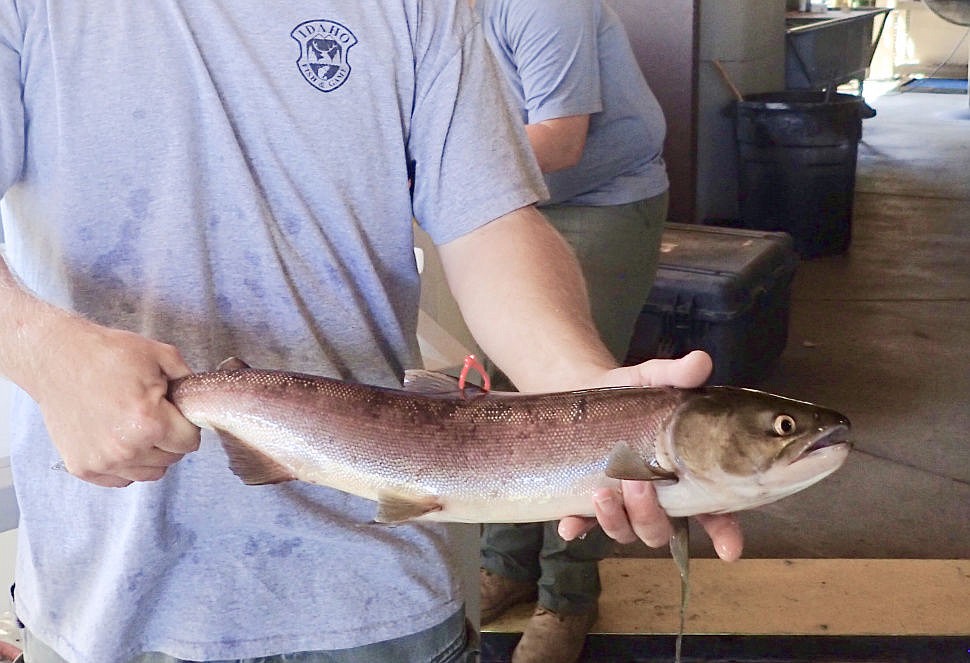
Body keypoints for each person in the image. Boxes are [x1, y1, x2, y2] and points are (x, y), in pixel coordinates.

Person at [0, 3, 742, 662]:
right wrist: (41, 350)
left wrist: (585, 392)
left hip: (377, 590)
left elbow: (490, 222)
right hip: (102, 586)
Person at [474, 2, 690, 661]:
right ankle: (505, 564)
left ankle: (567, 594)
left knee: (582, 411)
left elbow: (561, 141)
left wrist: (430, 185)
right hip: (509, 202)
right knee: (505, 399)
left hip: (597, 202)